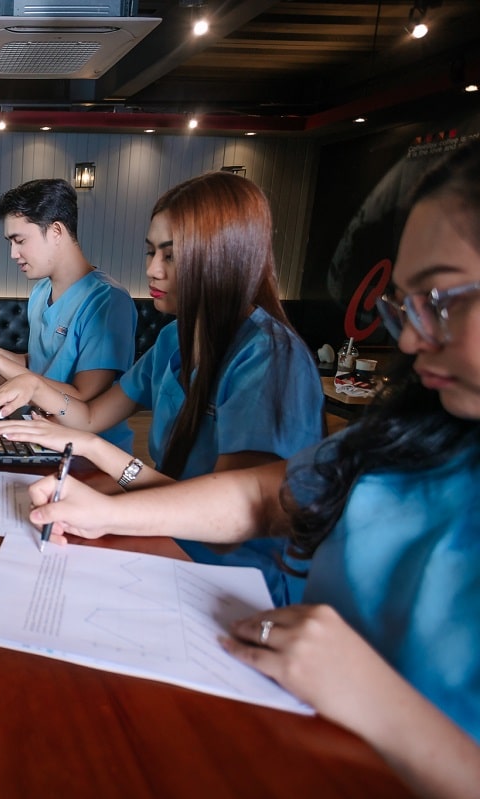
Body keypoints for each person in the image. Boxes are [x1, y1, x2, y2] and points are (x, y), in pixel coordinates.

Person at [25, 141, 480, 799]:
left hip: (252, 611)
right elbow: (261, 497)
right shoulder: (420, 428)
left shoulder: (265, 352)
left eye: (439, 299)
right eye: (405, 306)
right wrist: (104, 497)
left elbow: (230, 521)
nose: (408, 339)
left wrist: (107, 470)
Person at [0, 171, 323, 605]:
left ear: (222, 257)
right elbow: (93, 415)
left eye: (171, 256)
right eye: (151, 252)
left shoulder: (268, 355)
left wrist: (95, 456)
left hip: (238, 584)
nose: (152, 269)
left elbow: (230, 518)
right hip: (166, 541)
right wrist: (52, 425)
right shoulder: (172, 339)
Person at [0, 178, 137, 452]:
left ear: (57, 231)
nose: (14, 253)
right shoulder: (40, 291)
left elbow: (84, 401)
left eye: (20, 240)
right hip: (36, 432)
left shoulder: (107, 301)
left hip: (85, 453)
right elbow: (39, 362)